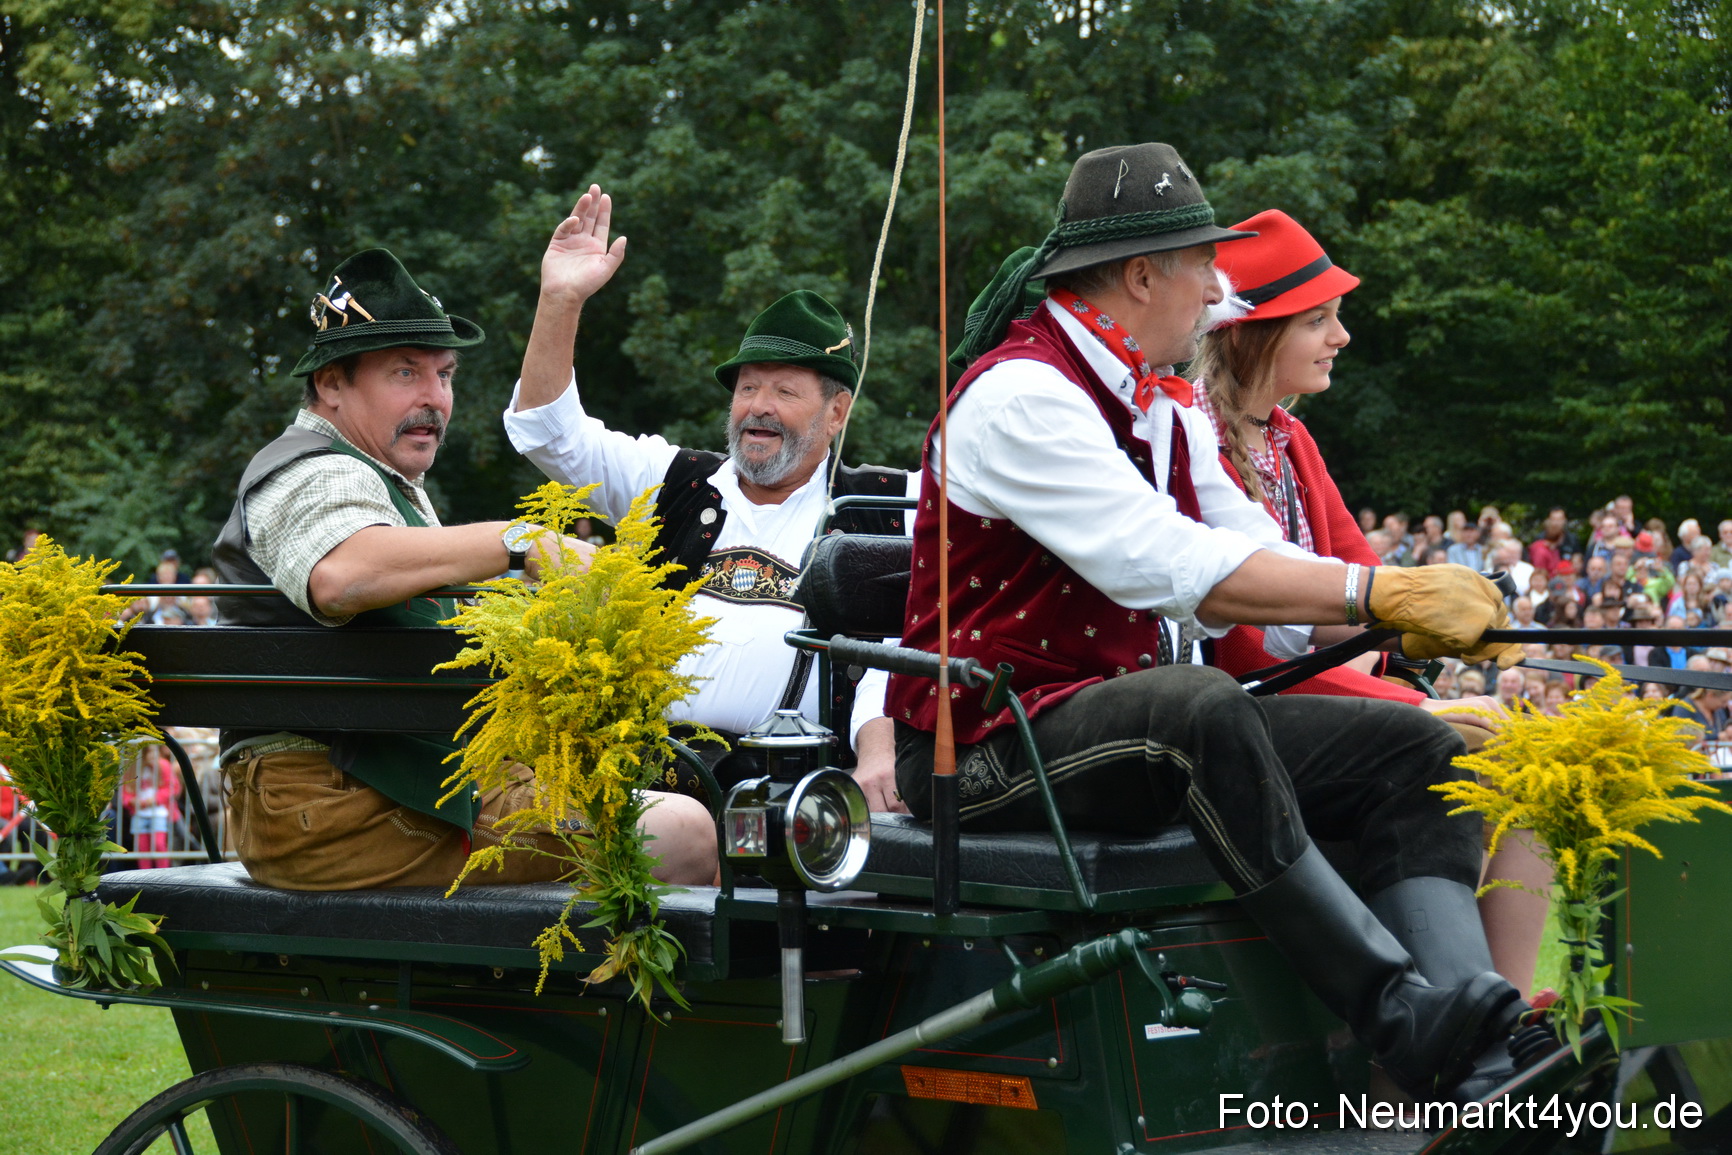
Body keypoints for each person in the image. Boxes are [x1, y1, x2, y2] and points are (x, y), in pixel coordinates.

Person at [894, 143, 1531, 1100]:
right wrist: (1373, 598)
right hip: (979, 746)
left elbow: (1252, 560)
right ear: (1143, 275)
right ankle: (1403, 1021)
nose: (1216, 285)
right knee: (1196, 707)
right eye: (1203, 263)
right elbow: (1163, 561)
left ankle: (1478, 1036)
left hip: (1109, 725)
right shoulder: (1021, 395)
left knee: (1415, 746)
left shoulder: (1164, 402)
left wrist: (1391, 612)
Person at [211, 247, 715, 891]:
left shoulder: (378, 475)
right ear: (332, 384)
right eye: (404, 373)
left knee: (652, 790)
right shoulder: (314, 469)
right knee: (682, 831)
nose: (434, 399)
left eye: (444, 375)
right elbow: (341, 574)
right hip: (333, 807)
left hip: (377, 785)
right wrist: (520, 542)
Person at [501, 187, 915, 813]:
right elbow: (546, 432)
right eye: (747, 387)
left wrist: (880, 751)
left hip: (801, 796)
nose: (758, 407)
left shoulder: (886, 505)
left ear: (837, 411)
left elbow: (897, 652)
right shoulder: (675, 481)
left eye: (784, 389)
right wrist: (560, 300)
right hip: (650, 782)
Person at [1190, 208, 1502, 726]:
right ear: (1245, 334)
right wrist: (1418, 709)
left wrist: (1438, 623)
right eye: (1317, 320)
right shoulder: (1191, 443)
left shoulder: (1294, 441)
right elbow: (1247, 659)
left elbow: (1367, 582)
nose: (1342, 336)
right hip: (1238, 728)